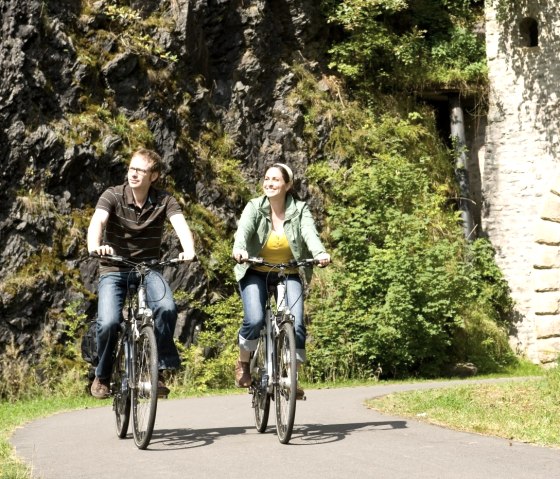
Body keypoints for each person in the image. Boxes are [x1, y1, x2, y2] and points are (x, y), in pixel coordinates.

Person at [87, 148, 196, 399]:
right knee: (109, 322)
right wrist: (95, 246)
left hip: (148, 268)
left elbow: (180, 225)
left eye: (141, 170)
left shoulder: (165, 200)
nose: (134, 174)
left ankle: (158, 369)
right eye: (132, 168)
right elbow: (98, 221)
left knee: (167, 308)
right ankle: (102, 375)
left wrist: (188, 250)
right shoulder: (112, 195)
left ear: (154, 175)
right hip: (114, 268)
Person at [232, 163, 330, 397]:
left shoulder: (300, 209)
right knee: (255, 319)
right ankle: (244, 363)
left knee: (294, 323)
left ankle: (290, 376)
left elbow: (309, 233)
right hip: (255, 270)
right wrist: (240, 250)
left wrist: (319, 253)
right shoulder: (255, 207)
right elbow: (242, 232)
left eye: (275, 179)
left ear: (287, 184)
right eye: (267, 178)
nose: (270, 183)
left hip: (289, 271)